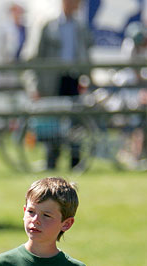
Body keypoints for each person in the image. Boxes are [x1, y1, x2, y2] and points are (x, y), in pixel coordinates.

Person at [28, 0, 93, 170]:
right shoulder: (47, 24)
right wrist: (33, 85)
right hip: (52, 80)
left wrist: (86, 77)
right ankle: (52, 161)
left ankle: (75, 161)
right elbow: (32, 56)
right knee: (52, 122)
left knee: (75, 121)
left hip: (73, 77)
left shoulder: (80, 26)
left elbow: (85, 54)